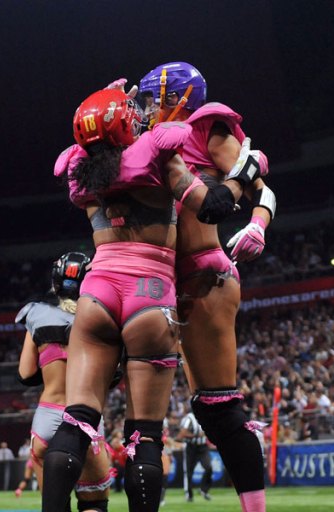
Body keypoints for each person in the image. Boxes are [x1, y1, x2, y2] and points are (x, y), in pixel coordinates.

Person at [43, 87, 253, 512]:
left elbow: (101, 139)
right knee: (145, 436)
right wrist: (245, 172)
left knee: (77, 419)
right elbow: (212, 206)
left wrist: (106, 107)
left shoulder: (80, 165)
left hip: (98, 290)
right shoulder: (158, 151)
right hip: (150, 291)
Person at [138, 62, 270, 511]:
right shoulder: (149, 141)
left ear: (177, 97)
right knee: (200, 410)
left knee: (218, 407)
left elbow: (259, 187)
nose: (147, 108)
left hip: (203, 272)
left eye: (153, 98)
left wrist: (258, 224)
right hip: (160, 280)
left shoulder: (206, 124)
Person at [15, 252, 113, 510]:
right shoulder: (104, 319)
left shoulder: (37, 315)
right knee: (95, 504)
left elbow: (26, 374)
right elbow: (113, 376)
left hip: (47, 417)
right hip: (85, 417)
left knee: (55, 505)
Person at [177, 411, 213, 502]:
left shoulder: (205, 416)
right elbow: (182, 434)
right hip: (191, 447)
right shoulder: (189, 418)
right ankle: (189, 494)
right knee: (189, 472)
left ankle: (204, 490)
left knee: (208, 467)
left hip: (203, 447)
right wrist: (196, 435)